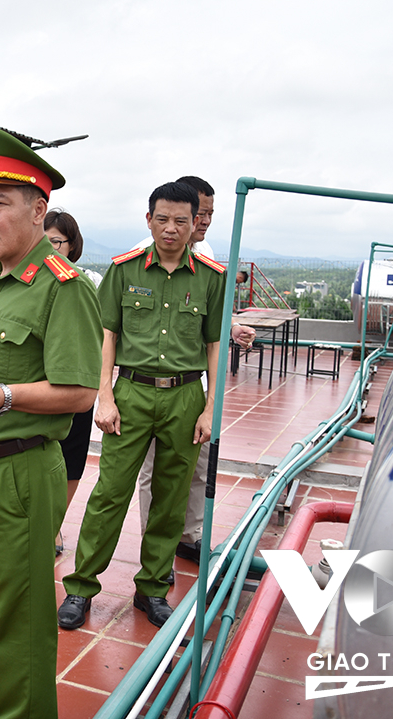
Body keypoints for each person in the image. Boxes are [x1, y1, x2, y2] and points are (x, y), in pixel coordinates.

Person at [0, 128, 103, 719]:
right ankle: (12, 703)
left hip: (19, 474)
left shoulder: (63, 286)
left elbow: (81, 391)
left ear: (39, 209)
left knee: (24, 615)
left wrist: (4, 396)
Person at [59, 180, 225, 631]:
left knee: (170, 499)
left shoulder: (212, 278)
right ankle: (80, 588)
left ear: (196, 223)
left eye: (181, 220)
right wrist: (105, 396)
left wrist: (210, 409)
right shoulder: (124, 270)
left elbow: (214, 346)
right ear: (148, 220)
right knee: (109, 493)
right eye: (162, 219)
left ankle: (152, 590)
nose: (171, 228)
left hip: (186, 397)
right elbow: (107, 337)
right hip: (130, 393)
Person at [132, 176, 255, 574]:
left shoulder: (207, 256)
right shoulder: (140, 259)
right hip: (148, 387)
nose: (204, 222)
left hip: (191, 387)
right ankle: (155, 547)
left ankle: (191, 534)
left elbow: (207, 315)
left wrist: (231, 328)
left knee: (197, 463)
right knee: (154, 469)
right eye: (199, 214)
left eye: (209, 215)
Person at [43, 209, 99, 554]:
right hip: (40, 386)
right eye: (43, 242)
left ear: (71, 245)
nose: (49, 249)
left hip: (77, 383)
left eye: (56, 242)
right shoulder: (30, 279)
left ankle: (54, 526)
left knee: (71, 456)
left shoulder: (88, 281)